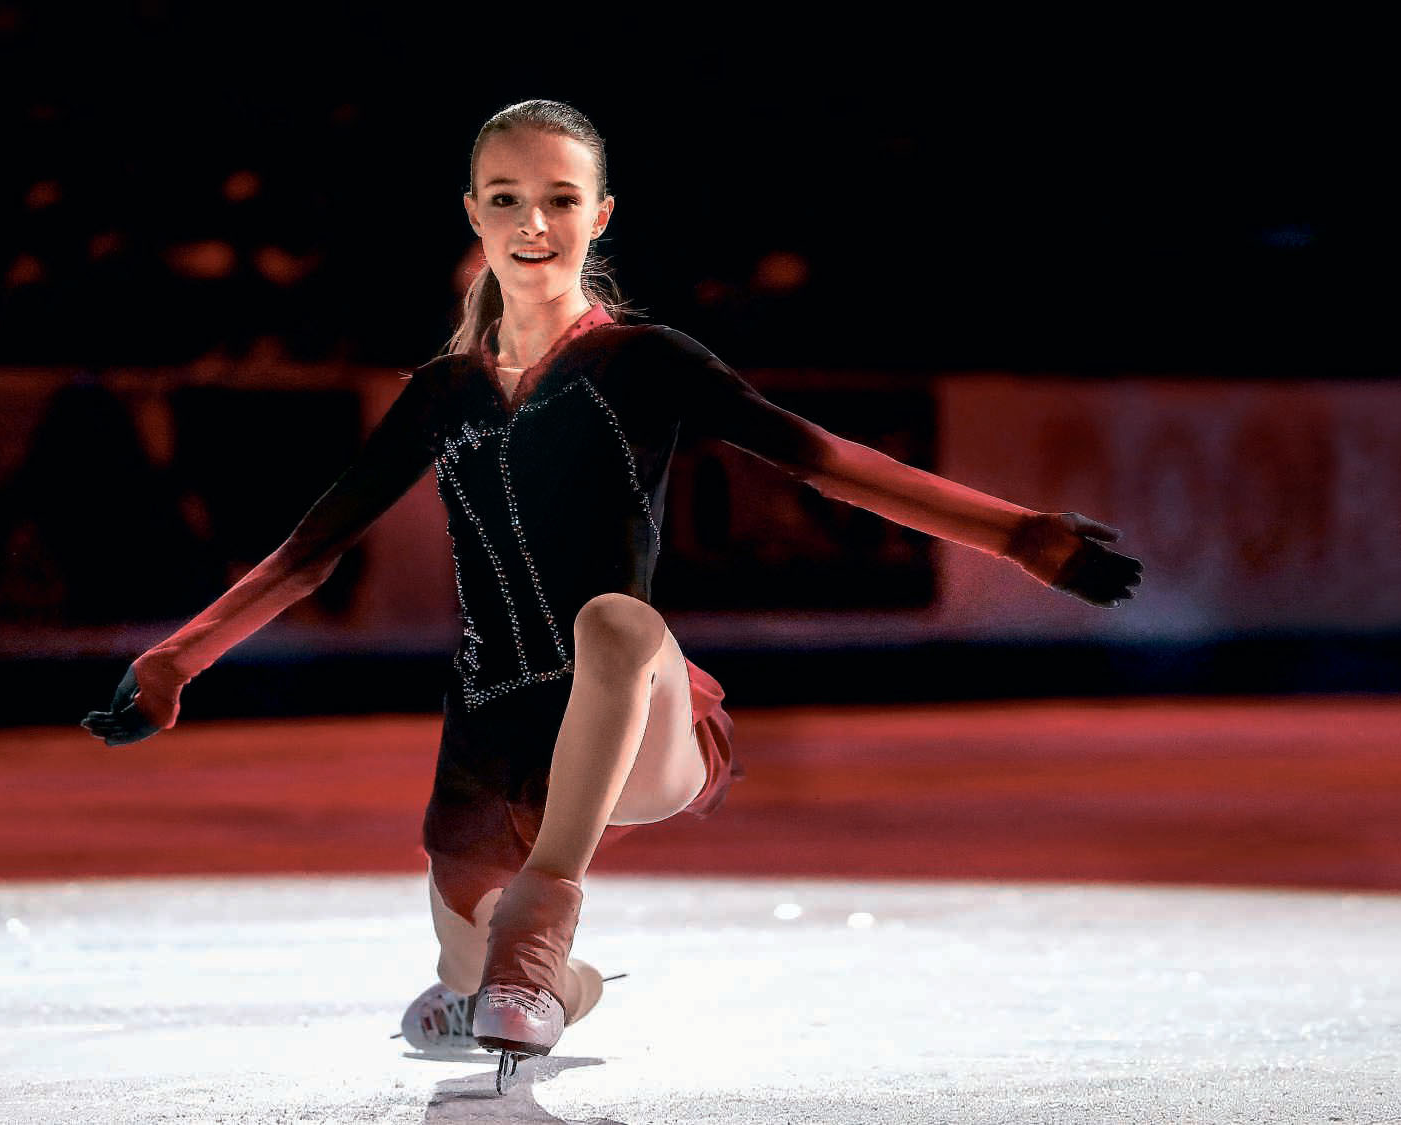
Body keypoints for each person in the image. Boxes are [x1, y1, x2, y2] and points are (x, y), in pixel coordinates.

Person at [80, 99, 1143, 1090]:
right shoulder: (441, 394)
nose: (532, 222)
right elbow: (308, 553)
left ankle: (541, 920)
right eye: (506, 198)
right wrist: (175, 661)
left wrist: (1020, 535)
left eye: (559, 198)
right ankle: (548, 978)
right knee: (472, 981)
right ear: (474, 214)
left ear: (599, 215)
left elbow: (827, 461)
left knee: (618, 621)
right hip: (493, 742)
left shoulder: (646, 361)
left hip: (640, 717)